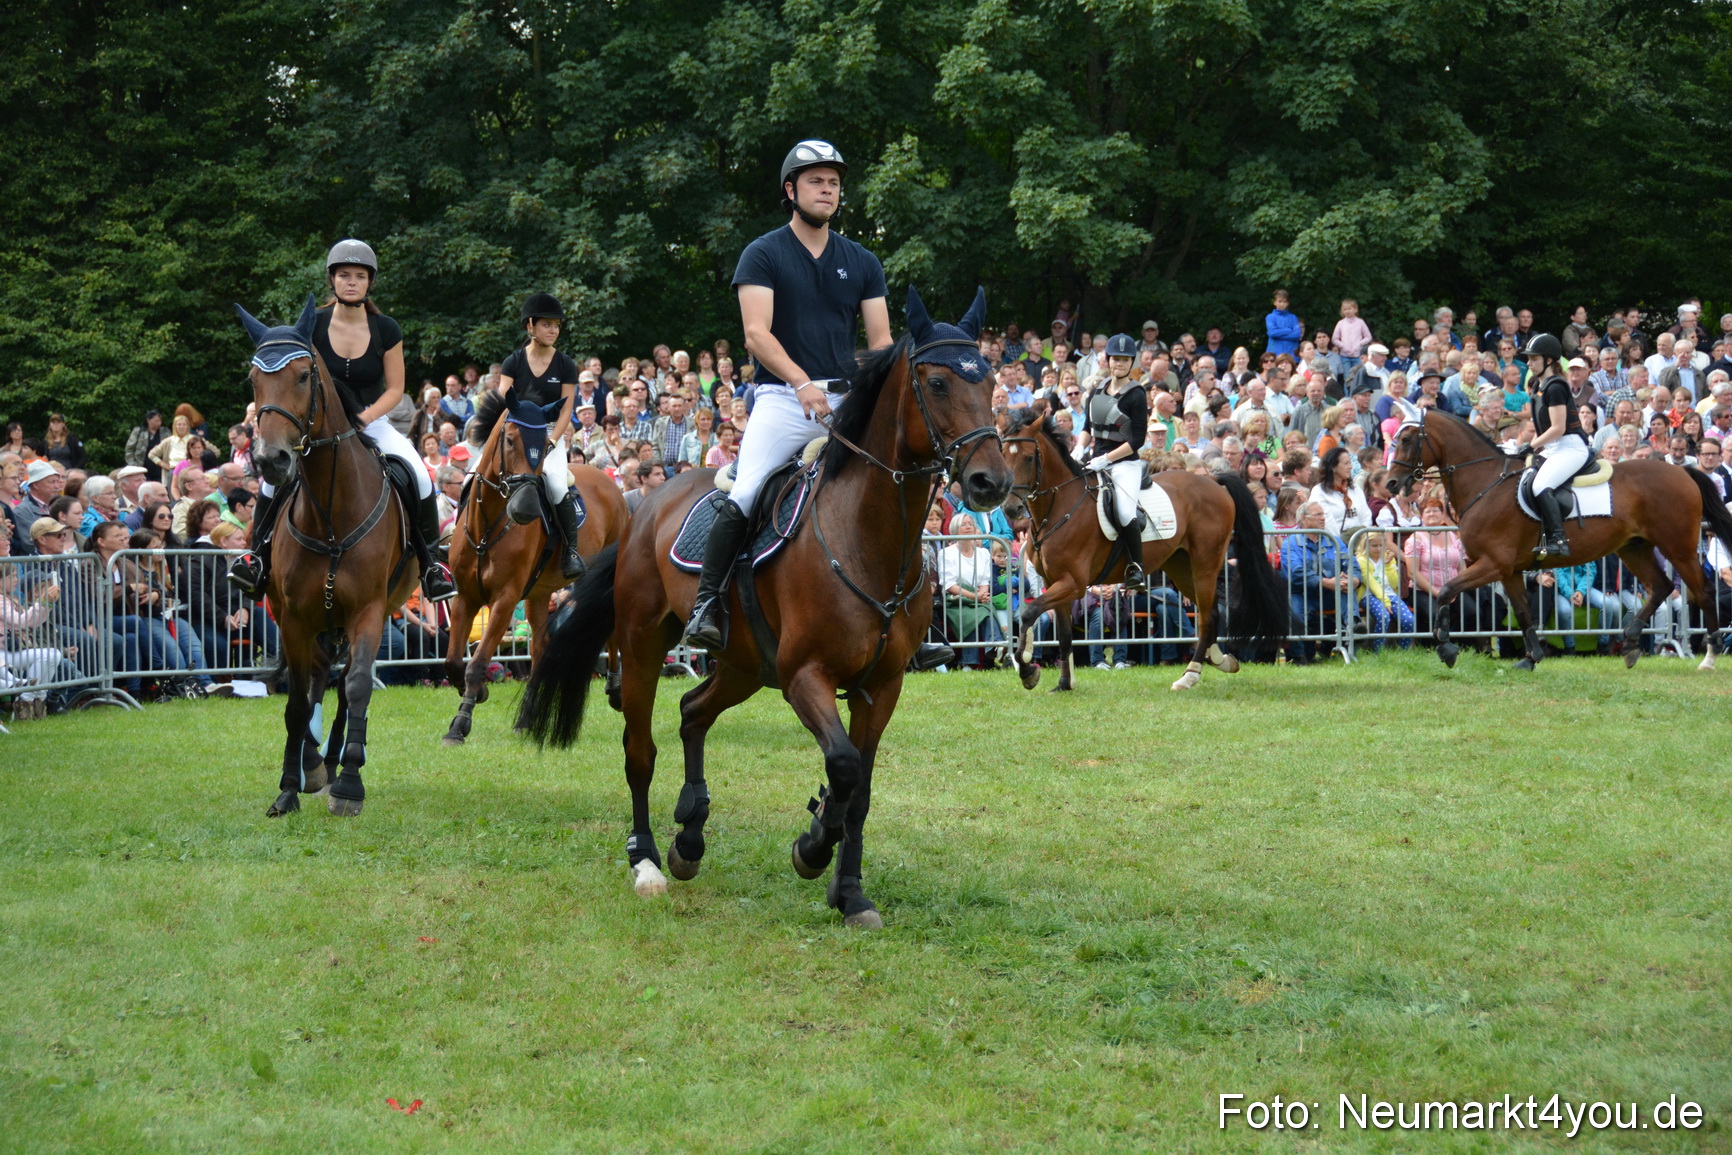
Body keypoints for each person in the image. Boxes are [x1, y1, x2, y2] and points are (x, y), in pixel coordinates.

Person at [683, 139, 895, 650]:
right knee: (749, 489)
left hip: (847, 401)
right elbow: (756, 334)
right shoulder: (764, 253)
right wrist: (801, 382)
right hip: (783, 398)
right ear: (790, 189)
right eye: (817, 181)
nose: (828, 189)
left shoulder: (863, 260)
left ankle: (910, 616)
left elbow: (882, 342)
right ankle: (706, 605)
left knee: (895, 484)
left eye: (834, 183)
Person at [228, 239, 456, 602]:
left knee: (418, 473)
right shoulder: (312, 324)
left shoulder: (386, 328)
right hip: (316, 426)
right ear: (332, 280)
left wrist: (363, 418)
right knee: (274, 482)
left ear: (370, 282)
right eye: (344, 275)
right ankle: (257, 558)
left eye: (360, 276)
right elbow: (289, 377)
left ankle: (430, 565)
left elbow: (396, 389)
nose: (352, 282)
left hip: (371, 421)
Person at [495, 293, 585, 579]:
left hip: (548, 434)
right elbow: (503, 397)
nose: (553, 330)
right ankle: (457, 539)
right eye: (547, 324)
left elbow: (566, 409)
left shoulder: (565, 364)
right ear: (530, 326)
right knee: (475, 474)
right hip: (516, 432)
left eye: (557, 325)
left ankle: (570, 550)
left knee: (557, 485)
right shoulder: (514, 361)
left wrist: (553, 441)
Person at [1083, 333, 1150, 589]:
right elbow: (1088, 427)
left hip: (1124, 464)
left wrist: (1107, 459)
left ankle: (1136, 567)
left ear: (1130, 362)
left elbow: (1137, 440)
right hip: (1094, 460)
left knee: (1124, 512)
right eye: (1115, 359)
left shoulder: (1136, 394)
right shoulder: (1097, 389)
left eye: (1124, 360)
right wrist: (1079, 450)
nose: (1118, 364)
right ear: (1108, 360)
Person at [1520, 333, 1589, 559]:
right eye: (1529, 359)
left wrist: (1531, 446)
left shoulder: (1556, 387)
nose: (1529, 363)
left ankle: (1559, 540)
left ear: (1549, 360)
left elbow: (1558, 428)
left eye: (1534, 359)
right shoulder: (1539, 385)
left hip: (1570, 447)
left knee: (1541, 486)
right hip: (1554, 448)